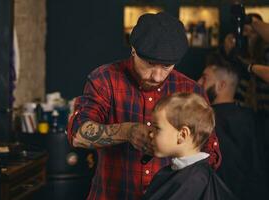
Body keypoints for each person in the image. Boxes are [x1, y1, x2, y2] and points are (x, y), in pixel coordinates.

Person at [67, 12, 221, 200]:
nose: (157, 76)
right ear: (133, 50)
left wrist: (177, 150)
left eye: (166, 67)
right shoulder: (104, 79)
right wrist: (126, 131)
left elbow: (211, 153)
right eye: (149, 64)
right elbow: (77, 134)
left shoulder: (192, 91)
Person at [197, 53, 268, 200]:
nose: (198, 82)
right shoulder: (254, 119)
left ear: (221, 85)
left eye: (205, 78)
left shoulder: (205, 122)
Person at [142, 93, 236, 200]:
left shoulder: (195, 181)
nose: (150, 134)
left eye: (157, 128)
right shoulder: (172, 173)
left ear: (182, 134)